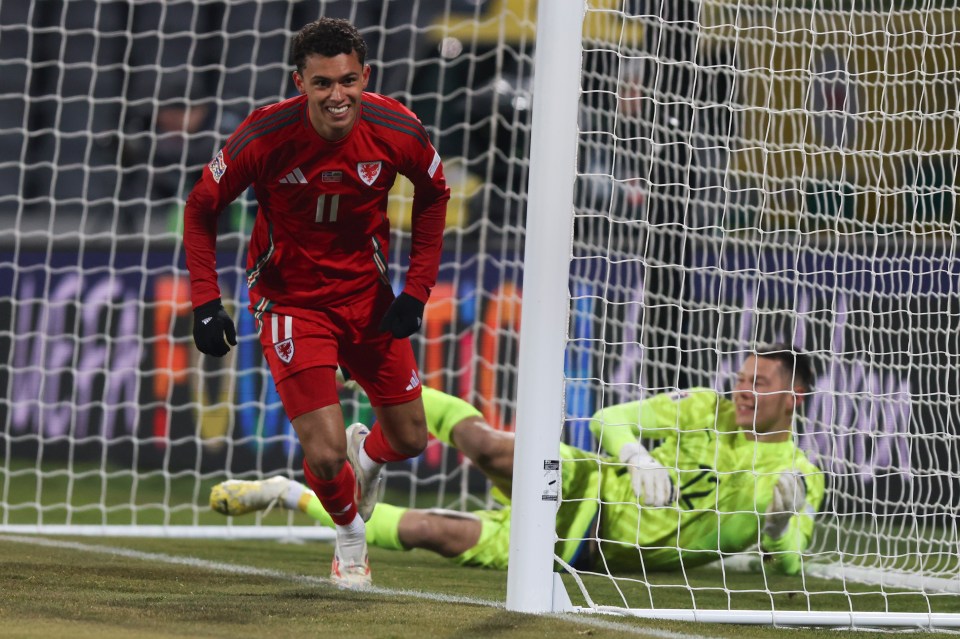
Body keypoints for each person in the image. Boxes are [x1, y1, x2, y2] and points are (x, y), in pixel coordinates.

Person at [183, 17, 450, 588]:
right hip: (291, 301)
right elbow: (200, 207)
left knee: (408, 439)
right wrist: (206, 301)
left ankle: (369, 457)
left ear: (365, 77)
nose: (338, 96)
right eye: (323, 83)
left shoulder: (396, 128)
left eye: (349, 81)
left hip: (366, 298)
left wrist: (416, 290)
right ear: (299, 82)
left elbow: (434, 196)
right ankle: (350, 537)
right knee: (325, 455)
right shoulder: (264, 137)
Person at [210, 344, 824, 576]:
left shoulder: (799, 477)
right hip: (585, 485)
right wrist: (635, 455)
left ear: (795, 396)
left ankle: (286, 492)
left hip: (585, 550)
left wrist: (773, 525)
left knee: (434, 532)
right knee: (489, 445)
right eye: (742, 377)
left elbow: (789, 561)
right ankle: (369, 383)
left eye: (760, 383)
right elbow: (610, 419)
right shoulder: (705, 409)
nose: (744, 390)